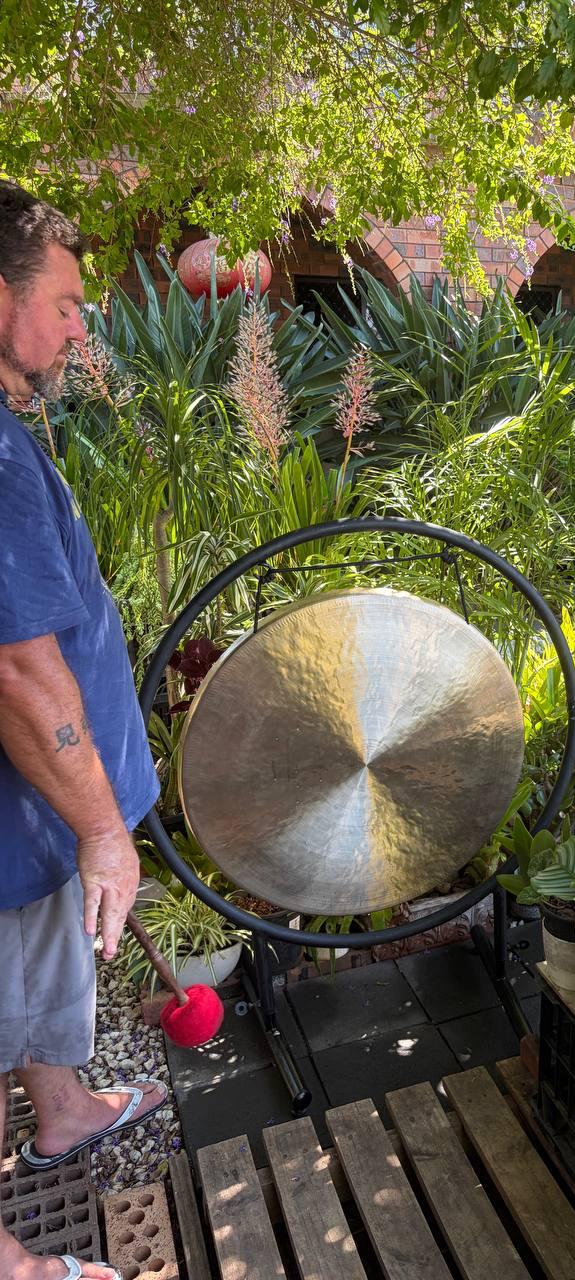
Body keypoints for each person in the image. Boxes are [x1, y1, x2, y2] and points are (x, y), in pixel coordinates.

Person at [0, 181, 167, 1280]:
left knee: (43, 980)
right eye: (62, 302)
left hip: (35, 822)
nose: (76, 326)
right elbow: (18, 663)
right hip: (30, 816)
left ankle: (61, 1109)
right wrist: (106, 831)